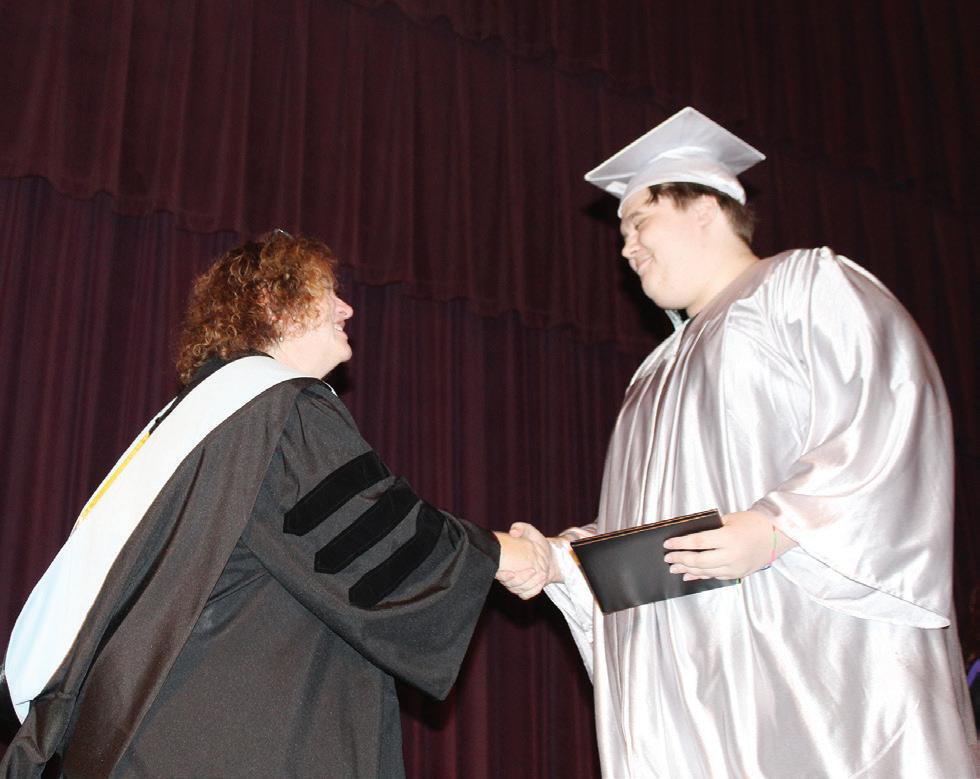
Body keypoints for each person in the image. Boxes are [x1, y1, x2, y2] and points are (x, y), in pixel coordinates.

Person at [498, 107, 977, 776]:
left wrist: (777, 528)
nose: (626, 248)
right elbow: (647, 530)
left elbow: (889, 416)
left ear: (704, 209)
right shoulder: (652, 375)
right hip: (700, 675)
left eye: (639, 221)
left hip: (809, 653)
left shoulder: (803, 286)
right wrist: (558, 561)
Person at [0, 231, 548, 777]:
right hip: (218, 739)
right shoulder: (278, 412)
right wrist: (502, 553)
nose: (347, 308)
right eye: (328, 292)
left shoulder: (202, 421)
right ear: (271, 301)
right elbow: (376, 540)